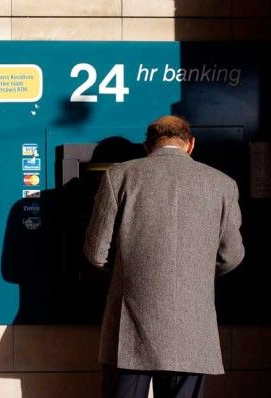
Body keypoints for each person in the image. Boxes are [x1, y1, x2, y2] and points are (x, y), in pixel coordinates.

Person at [84, 115, 245, 398]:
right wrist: (195, 273)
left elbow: (96, 253)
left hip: (129, 330)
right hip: (192, 327)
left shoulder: (119, 175)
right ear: (190, 144)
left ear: (148, 146)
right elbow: (232, 256)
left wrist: (129, 270)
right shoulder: (222, 184)